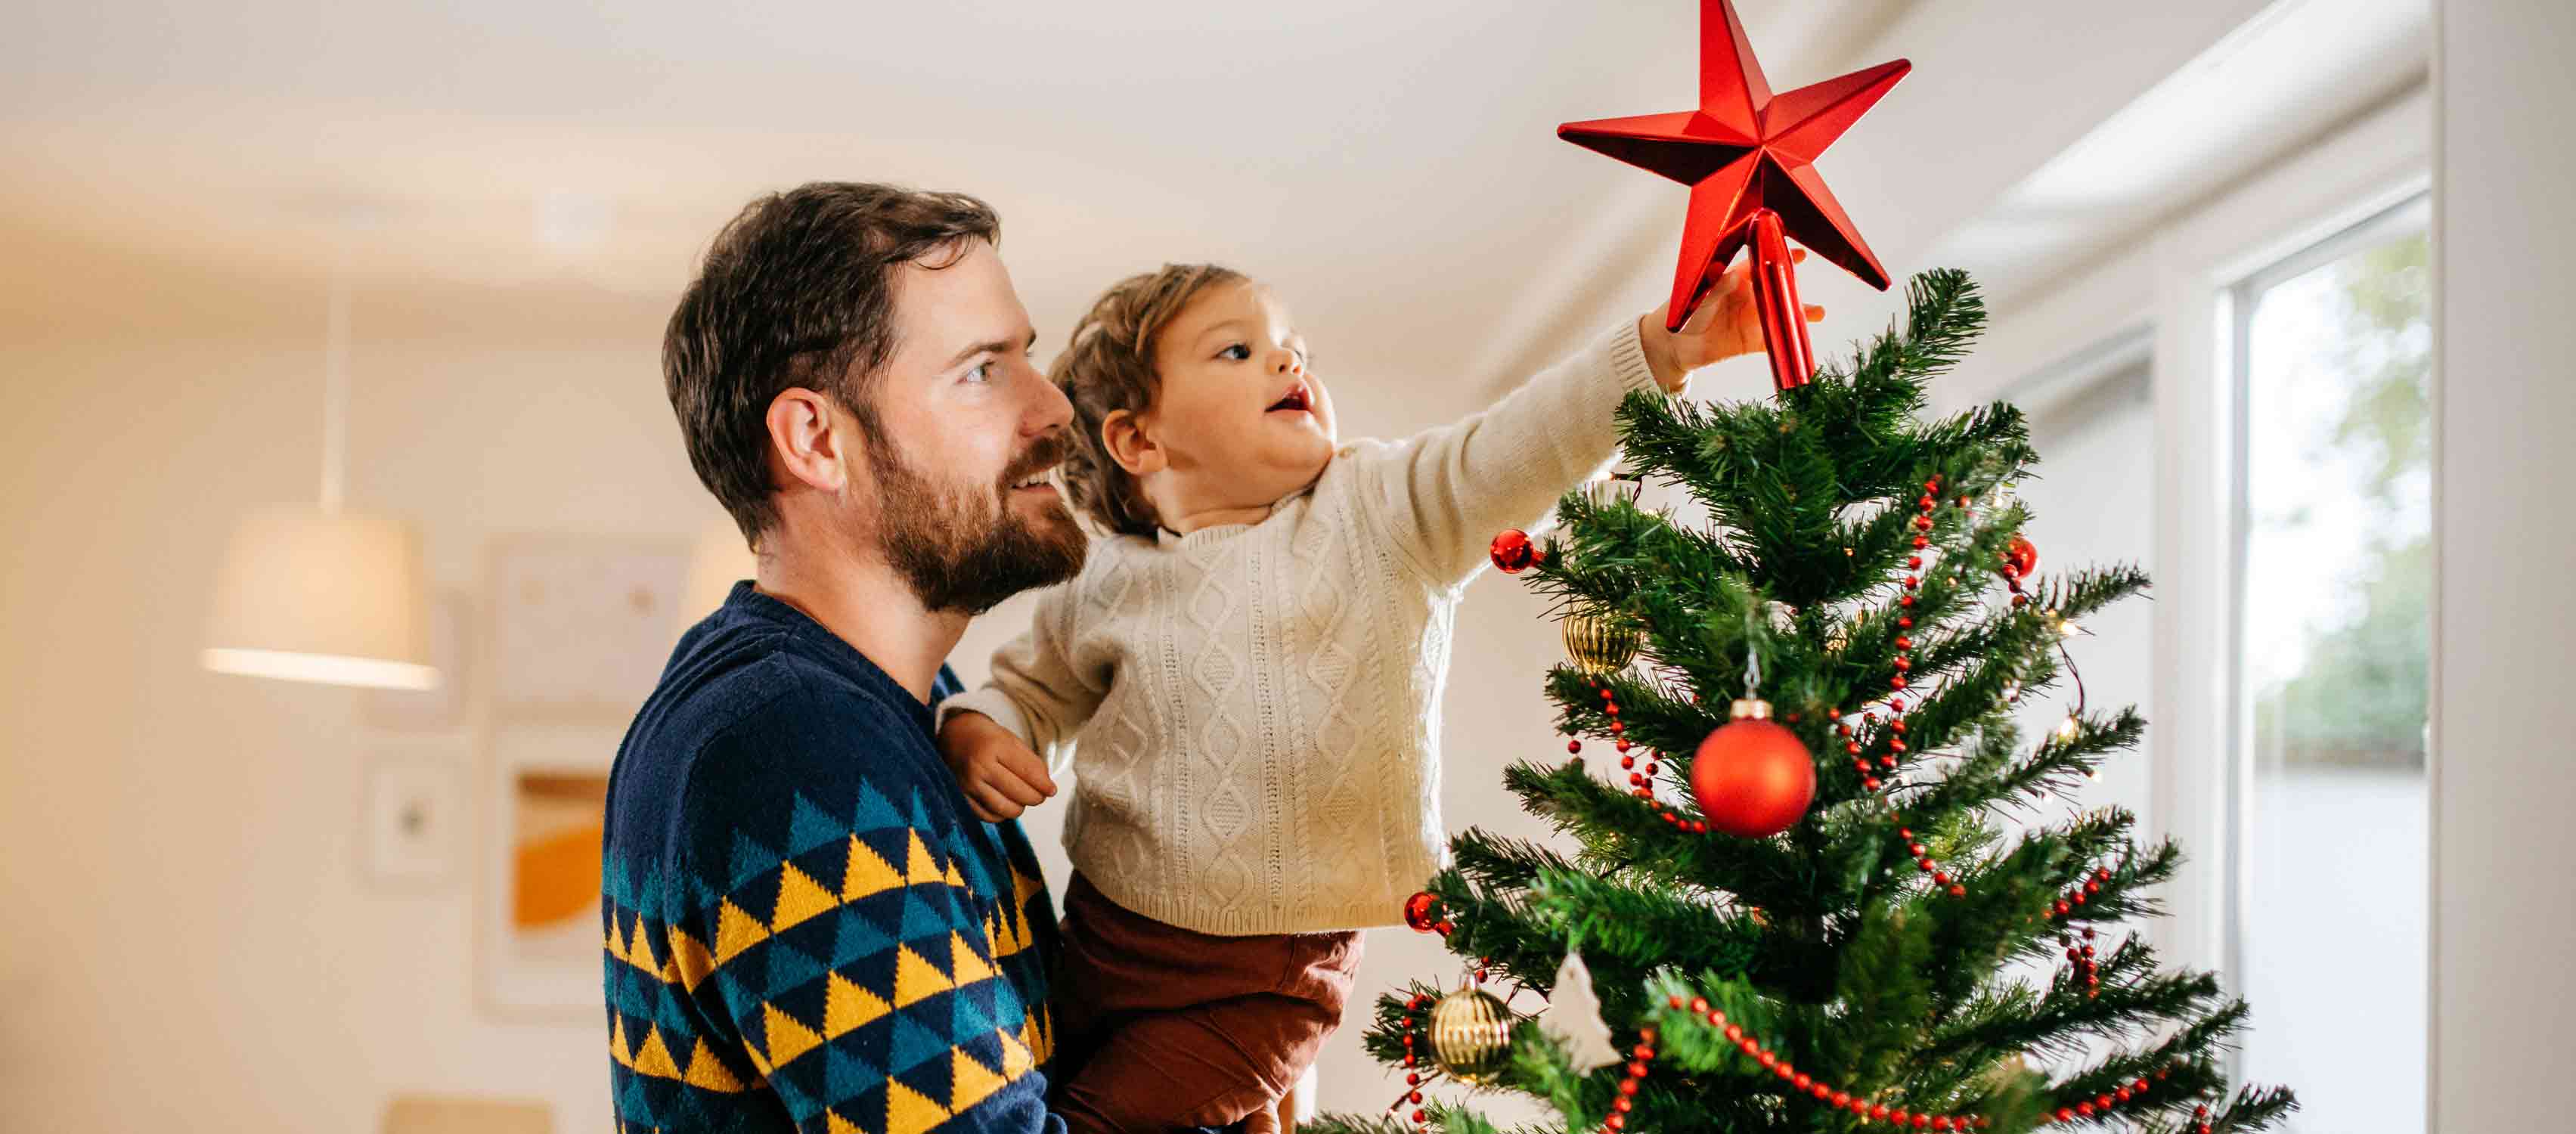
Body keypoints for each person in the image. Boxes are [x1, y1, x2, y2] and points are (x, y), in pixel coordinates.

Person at [935, 253, 1816, 1132]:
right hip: (1103, 935)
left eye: (1292, 346)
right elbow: (1029, 691)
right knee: (1047, 1083)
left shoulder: (1376, 510)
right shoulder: (1107, 578)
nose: (1290, 363)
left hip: (1266, 978)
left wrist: (1659, 351)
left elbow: (1516, 445)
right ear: (1139, 441)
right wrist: (982, 730)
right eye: (1237, 352)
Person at [601, 182, 1092, 1134]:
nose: (1052, 408)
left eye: (1025, 357)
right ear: (816, 439)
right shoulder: (790, 743)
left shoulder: (908, 709)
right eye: (982, 372)